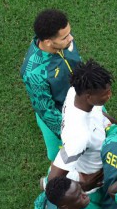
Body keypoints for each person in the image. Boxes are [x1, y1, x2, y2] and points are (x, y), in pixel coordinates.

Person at [49, 59, 116, 209]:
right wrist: (82, 183)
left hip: (102, 170)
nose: (110, 95)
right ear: (89, 96)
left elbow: (99, 114)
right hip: (93, 184)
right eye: (106, 93)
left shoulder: (75, 92)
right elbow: (53, 179)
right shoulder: (78, 136)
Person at [22, 8, 81, 163]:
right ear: (48, 41)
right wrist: (71, 135)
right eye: (65, 37)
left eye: (69, 33)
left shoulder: (63, 41)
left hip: (83, 99)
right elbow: (47, 111)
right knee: (63, 158)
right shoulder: (34, 73)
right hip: (59, 113)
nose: (71, 38)